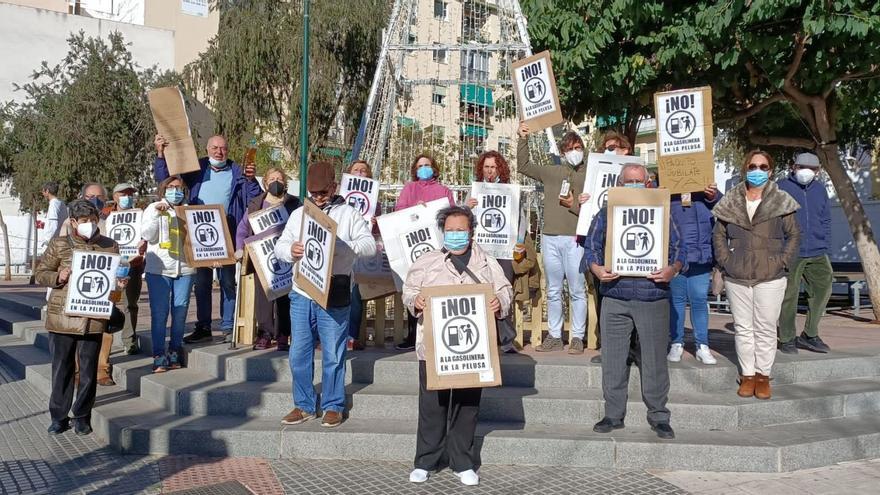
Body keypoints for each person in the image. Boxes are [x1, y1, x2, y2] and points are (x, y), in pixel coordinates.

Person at [402, 206, 512, 486]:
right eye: (449, 230)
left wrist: (500, 302)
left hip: (473, 349)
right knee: (432, 404)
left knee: (467, 404)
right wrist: (415, 302)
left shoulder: (486, 261)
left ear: (471, 231)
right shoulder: (427, 261)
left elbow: (504, 289)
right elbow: (410, 290)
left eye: (460, 230)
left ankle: (462, 461)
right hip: (434, 346)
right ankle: (426, 460)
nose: (455, 235)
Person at [583, 163, 686, 440]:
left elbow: (680, 249)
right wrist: (596, 269)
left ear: (648, 182)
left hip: (653, 296)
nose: (634, 185)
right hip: (616, 296)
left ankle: (659, 416)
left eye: (639, 180)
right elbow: (590, 247)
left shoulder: (664, 213)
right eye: (629, 181)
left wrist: (672, 269)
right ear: (619, 184)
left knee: (654, 360)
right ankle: (613, 414)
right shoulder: (606, 213)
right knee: (613, 360)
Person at [275, 162, 376, 428]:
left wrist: (343, 246)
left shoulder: (349, 213)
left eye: (322, 192)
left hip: (335, 290)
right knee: (299, 352)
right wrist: (291, 251)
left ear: (334, 187)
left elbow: (369, 247)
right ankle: (304, 405)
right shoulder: (299, 214)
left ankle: (333, 405)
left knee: (333, 352)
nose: (317, 198)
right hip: (302, 292)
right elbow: (280, 247)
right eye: (313, 193)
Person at [154, 134, 262, 344]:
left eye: (223, 148)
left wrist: (251, 180)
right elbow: (165, 180)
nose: (219, 152)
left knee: (228, 282)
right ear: (207, 148)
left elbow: (254, 198)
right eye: (214, 148)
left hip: (228, 235)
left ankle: (228, 326)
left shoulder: (238, 171)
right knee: (201, 283)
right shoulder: (197, 168)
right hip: (199, 234)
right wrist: (160, 155)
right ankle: (203, 326)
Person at [712, 150, 801, 400]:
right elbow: (718, 234)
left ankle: (763, 376)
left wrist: (782, 261)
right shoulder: (731, 200)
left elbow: (794, 235)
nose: (757, 171)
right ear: (745, 169)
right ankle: (748, 375)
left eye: (763, 166)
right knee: (743, 328)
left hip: (770, 274)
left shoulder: (781, 201)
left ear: (771, 171)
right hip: (737, 273)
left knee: (765, 327)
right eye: (753, 166)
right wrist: (726, 261)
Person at [35, 199, 124, 436]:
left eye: (93, 221)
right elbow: (41, 273)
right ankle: (59, 417)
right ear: (73, 222)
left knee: (88, 370)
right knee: (62, 369)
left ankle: (83, 416)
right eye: (84, 221)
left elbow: (114, 290)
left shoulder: (109, 246)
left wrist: (119, 287)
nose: (90, 225)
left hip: (93, 318)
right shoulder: (60, 244)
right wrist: (59, 277)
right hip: (63, 317)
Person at [517, 122, 587, 353]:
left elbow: (597, 208)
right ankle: (555, 336)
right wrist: (523, 138)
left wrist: (575, 204)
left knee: (577, 290)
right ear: (563, 151)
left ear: (583, 149)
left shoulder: (589, 174)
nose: (574, 152)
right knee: (554, 290)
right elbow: (524, 165)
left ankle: (577, 337)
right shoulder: (552, 172)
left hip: (575, 239)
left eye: (577, 147)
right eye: (569, 148)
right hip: (550, 238)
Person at [234, 167, 302, 351]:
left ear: (285, 182)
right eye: (271, 178)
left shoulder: (294, 204)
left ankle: (283, 334)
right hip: (261, 258)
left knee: (285, 298)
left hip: (287, 259)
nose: (275, 181)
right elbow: (242, 228)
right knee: (263, 299)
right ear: (265, 182)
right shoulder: (256, 204)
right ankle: (264, 333)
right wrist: (240, 248)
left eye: (279, 178)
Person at [394, 154, 456, 351]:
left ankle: (437, 334)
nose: (423, 169)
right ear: (415, 169)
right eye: (420, 165)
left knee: (438, 285)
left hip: (436, 246)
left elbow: (450, 213)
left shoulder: (443, 190)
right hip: (413, 245)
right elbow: (399, 210)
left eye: (427, 165)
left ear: (434, 168)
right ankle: (412, 334)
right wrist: (417, 210)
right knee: (414, 288)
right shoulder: (409, 189)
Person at [777, 152, 833, 354]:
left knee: (823, 289)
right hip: (791, 251)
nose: (806, 172)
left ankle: (810, 334)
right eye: (801, 167)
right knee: (789, 295)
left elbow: (825, 218)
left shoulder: (820, 189)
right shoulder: (782, 187)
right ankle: (786, 338)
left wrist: (825, 243)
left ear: (818, 171)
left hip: (818, 250)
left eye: (811, 168)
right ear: (794, 167)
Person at [465, 150, 518, 353]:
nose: (489, 171)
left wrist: (519, 241)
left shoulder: (509, 191)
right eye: (486, 167)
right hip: (480, 250)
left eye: (493, 167)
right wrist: (466, 207)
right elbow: (462, 221)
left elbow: (518, 220)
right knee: (478, 291)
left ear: (500, 169)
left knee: (502, 291)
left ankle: (506, 340)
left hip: (503, 250)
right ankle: (483, 339)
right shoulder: (475, 191)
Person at [141, 176, 195, 372]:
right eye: (171, 187)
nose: (175, 191)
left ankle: (174, 350)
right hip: (159, 269)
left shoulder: (189, 210)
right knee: (159, 313)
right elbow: (147, 235)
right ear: (163, 190)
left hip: (185, 268)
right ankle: (158, 354)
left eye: (178, 187)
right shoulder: (153, 208)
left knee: (180, 312)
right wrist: (157, 215)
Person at [667, 183, 722, 365]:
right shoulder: (667, 183)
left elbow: (724, 206)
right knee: (677, 300)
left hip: (701, 253)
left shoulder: (706, 184)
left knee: (699, 300)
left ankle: (702, 345)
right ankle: (676, 342)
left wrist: (712, 196)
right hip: (675, 255)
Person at [345, 159, 382, 351]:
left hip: (362, 254)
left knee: (355, 296)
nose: (360, 173)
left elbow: (379, 232)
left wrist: (376, 222)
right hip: (342, 251)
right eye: (356, 170)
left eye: (364, 171)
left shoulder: (375, 202)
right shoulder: (339, 198)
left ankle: (351, 336)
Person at [109, 183, 146, 355]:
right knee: (111, 300)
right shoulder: (105, 216)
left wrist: (143, 244)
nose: (128, 197)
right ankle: (106, 336)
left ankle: (129, 340)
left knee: (130, 304)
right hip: (110, 269)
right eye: (124, 194)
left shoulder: (141, 216)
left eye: (130, 194)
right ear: (115, 196)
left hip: (133, 267)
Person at [41, 181, 68, 247]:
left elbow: (54, 224)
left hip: (53, 243)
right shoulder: (61, 203)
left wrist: (47, 241)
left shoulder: (53, 204)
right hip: (60, 240)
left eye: (43, 191)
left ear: (47, 191)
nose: (42, 193)